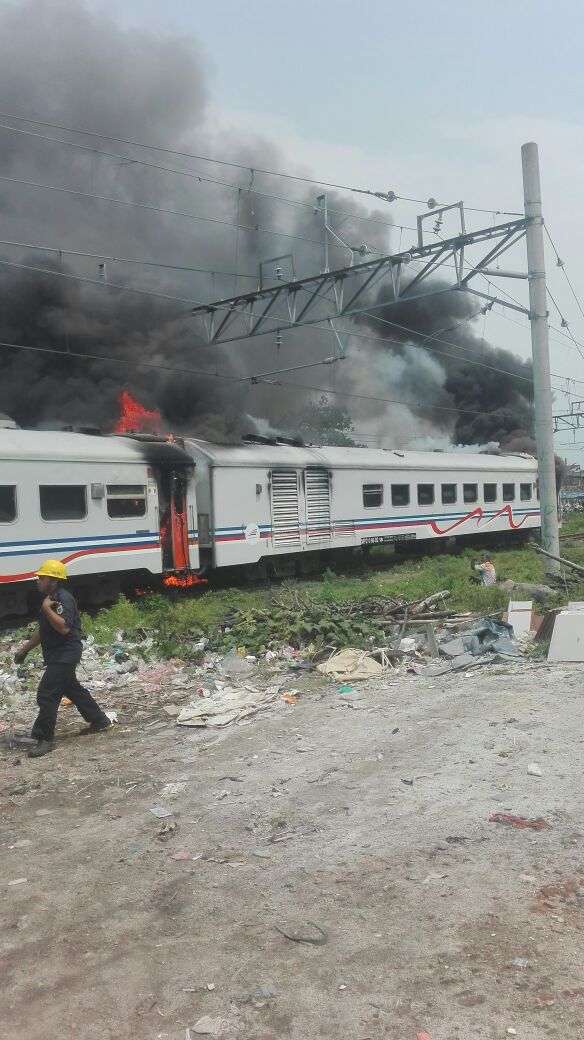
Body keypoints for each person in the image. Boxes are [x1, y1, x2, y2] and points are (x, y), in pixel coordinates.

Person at [14, 559, 111, 758]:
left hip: (66, 653)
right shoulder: (50, 598)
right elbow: (43, 631)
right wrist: (24, 650)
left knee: (47, 694)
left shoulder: (61, 599)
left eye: (42, 578)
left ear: (53, 580)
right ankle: (100, 720)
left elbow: (64, 627)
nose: (38, 581)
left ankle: (45, 739)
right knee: (72, 688)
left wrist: (47, 608)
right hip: (58, 654)